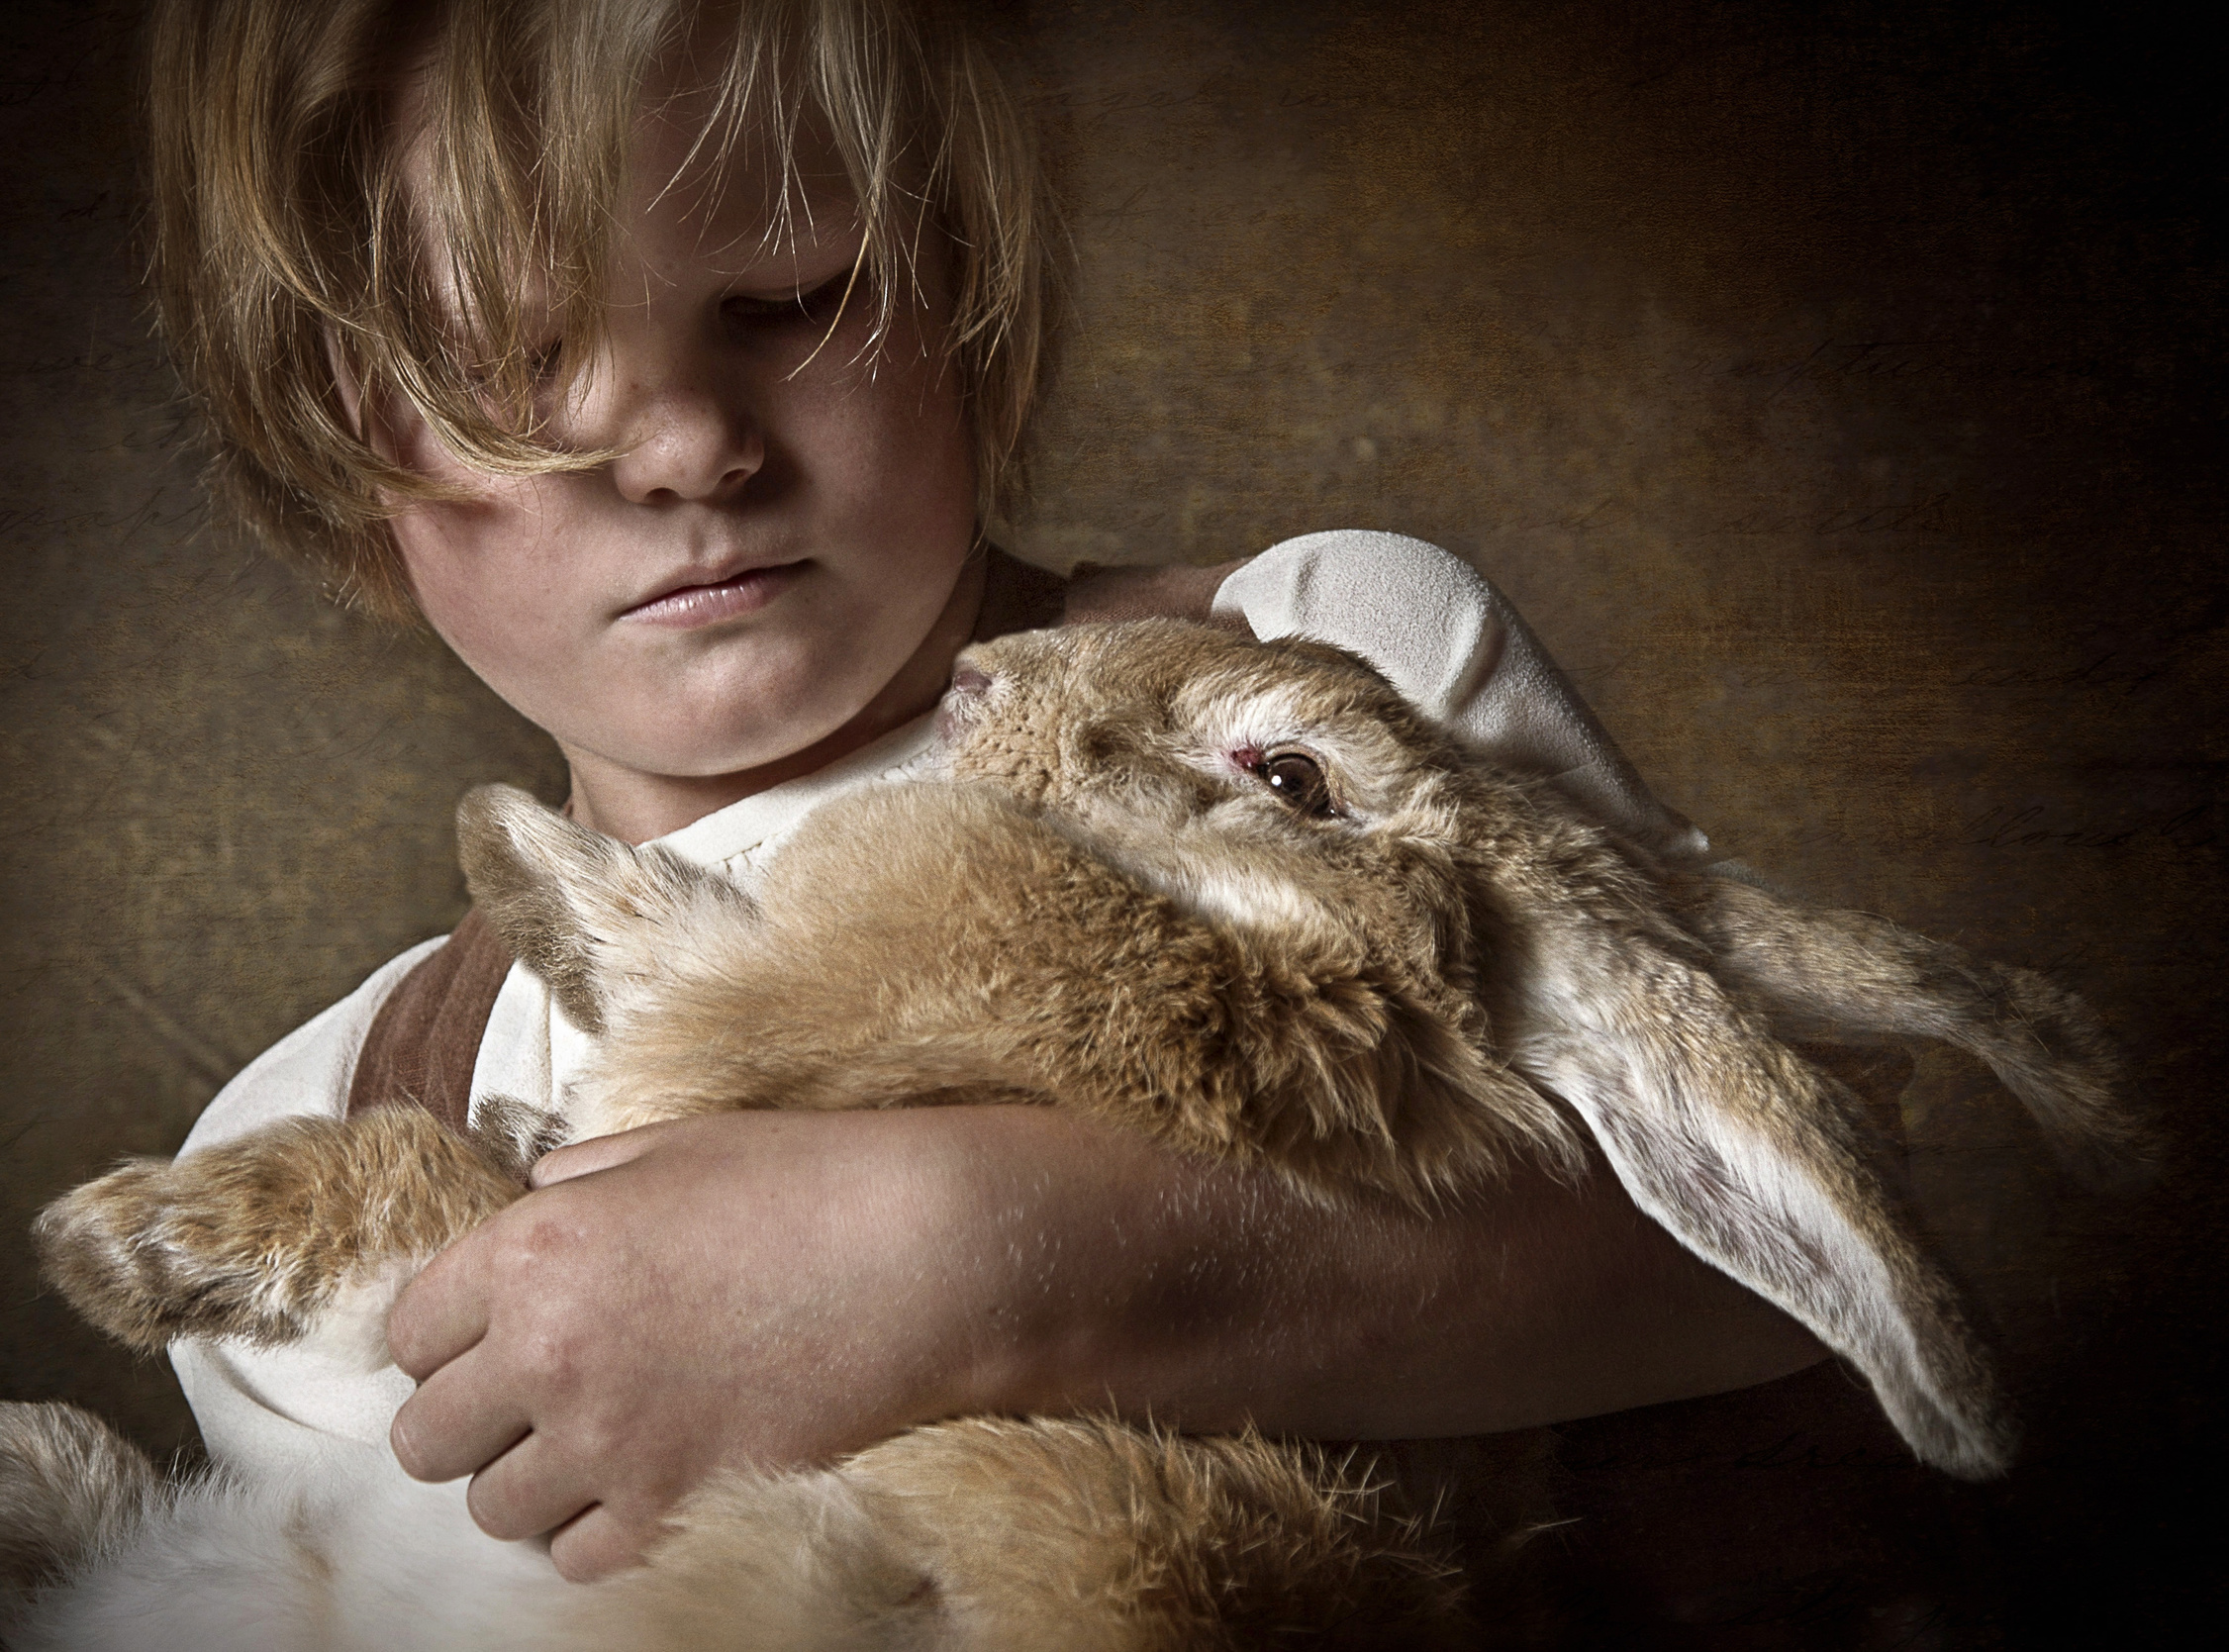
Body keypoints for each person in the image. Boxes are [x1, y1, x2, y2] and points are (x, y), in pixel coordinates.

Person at [152, 0, 1823, 1588]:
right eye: (512, 362)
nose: (683, 446)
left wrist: (965, 1261)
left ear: (961, 275)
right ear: (330, 431)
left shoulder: (1315, 679)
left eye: (789, 297)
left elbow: (1777, 1255)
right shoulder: (308, 1144)